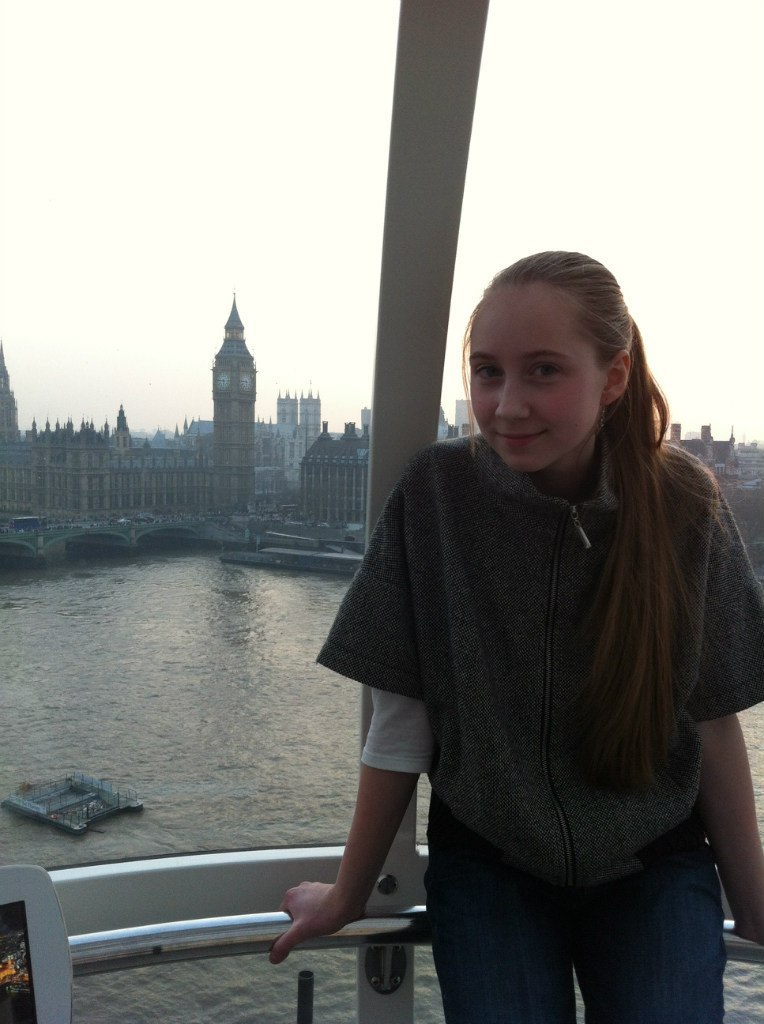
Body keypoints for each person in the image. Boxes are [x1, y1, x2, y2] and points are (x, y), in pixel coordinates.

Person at [269, 251, 764, 1022]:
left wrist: (754, 904)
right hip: (490, 864)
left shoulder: (683, 504)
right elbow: (400, 725)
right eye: (488, 372)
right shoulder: (436, 495)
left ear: (614, 376)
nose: (506, 405)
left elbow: (711, 722)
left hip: (652, 863)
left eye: (543, 371)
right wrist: (347, 893)